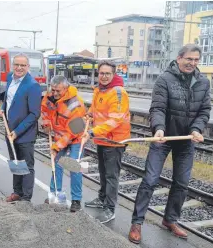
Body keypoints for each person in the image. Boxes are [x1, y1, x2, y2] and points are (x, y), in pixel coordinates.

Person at [128, 44, 211, 243]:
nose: (192, 63)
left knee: (181, 183)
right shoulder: (165, 79)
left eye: (196, 60)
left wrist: (197, 129)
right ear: (179, 58)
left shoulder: (203, 82)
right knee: (150, 180)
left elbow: (204, 111)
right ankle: (137, 222)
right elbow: (157, 107)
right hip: (162, 138)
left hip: (186, 140)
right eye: (189, 59)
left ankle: (170, 219)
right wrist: (158, 128)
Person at [81, 60, 131, 223]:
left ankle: (110, 208)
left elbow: (115, 120)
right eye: (101, 73)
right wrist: (89, 114)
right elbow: (96, 109)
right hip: (102, 139)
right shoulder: (100, 90)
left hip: (115, 141)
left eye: (107, 73)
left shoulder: (117, 92)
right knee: (103, 172)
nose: (103, 76)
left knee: (111, 176)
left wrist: (92, 131)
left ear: (113, 74)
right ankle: (102, 199)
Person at [0, 53, 42, 203]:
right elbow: (8, 99)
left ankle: (26, 198)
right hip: (9, 129)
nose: (19, 68)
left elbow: (34, 113)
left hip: (24, 134)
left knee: (27, 166)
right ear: (12, 65)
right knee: (15, 162)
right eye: (16, 64)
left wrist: (17, 132)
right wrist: (3, 108)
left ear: (28, 67)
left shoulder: (33, 85)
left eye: (23, 65)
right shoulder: (10, 78)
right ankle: (17, 192)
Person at [41, 75, 86, 212]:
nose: (54, 93)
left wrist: (56, 147)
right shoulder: (50, 96)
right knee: (57, 165)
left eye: (58, 91)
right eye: (53, 90)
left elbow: (73, 131)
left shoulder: (76, 104)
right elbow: (45, 110)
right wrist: (46, 123)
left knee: (75, 167)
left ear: (66, 88)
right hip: (59, 137)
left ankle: (76, 201)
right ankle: (54, 196)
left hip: (75, 137)